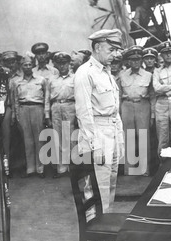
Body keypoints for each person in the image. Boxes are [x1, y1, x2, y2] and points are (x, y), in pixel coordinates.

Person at [74, 28, 124, 215]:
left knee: (110, 187)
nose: (115, 55)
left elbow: (115, 112)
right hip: (97, 135)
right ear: (97, 48)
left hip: (111, 133)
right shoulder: (85, 73)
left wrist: (119, 140)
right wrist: (94, 146)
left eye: (116, 50)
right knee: (95, 190)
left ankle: (105, 234)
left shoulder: (106, 73)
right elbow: (84, 113)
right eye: (111, 50)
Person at [12, 52, 49, 178]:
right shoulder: (16, 82)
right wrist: (16, 115)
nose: (27, 67)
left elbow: (46, 98)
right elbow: (15, 100)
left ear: (32, 66)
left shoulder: (41, 80)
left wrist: (46, 113)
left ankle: (40, 168)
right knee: (27, 140)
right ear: (21, 67)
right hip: (23, 109)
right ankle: (30, 168)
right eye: (24, 65)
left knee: (39, 139)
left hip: (37, 108)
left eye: (29, 64)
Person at [119, 45, 153, 176]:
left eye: (138, 60)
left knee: (143, 137)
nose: (135, 62)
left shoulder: (148, 75)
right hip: (126, 105)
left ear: (142, 60)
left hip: (142, 105)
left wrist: (153, 115)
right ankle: (129, 169)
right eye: (133, 60)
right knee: (128, 137)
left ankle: (144, 169)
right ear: (128, 61)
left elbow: (153, 95)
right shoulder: (122, 75)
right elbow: (119, 94)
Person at [47, 52, 76, 178]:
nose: (62, 66)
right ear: (56, 65)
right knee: (57, 136)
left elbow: (79, 97)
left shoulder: (75, 78)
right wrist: (47, 114)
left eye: (64, 63)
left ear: (69, 64)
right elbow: (47, 98)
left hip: (70, 106)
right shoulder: (52, 79)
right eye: (59, 64)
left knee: (70, 136)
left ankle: (73, 167)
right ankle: (61, 168)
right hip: (56, 106)